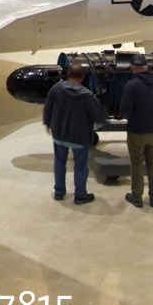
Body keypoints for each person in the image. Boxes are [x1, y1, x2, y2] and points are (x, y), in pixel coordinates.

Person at [43, 61, 108, 204]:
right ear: (83, 77)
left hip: (59, 135)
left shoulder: (56, 88)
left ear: (68, 75)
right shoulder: (87, 96)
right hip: (80, 138)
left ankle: (59, 192)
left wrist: (48, 123)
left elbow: (48, 107)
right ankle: (80, 195)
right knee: (80, 165)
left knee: (59, 162)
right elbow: (98, 117)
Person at [118, 53, 153, 209]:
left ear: (132, 67)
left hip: (137, 130)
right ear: (147, 66)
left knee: (137, 163)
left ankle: (137, 197)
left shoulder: (131, 86)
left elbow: (124, 112)